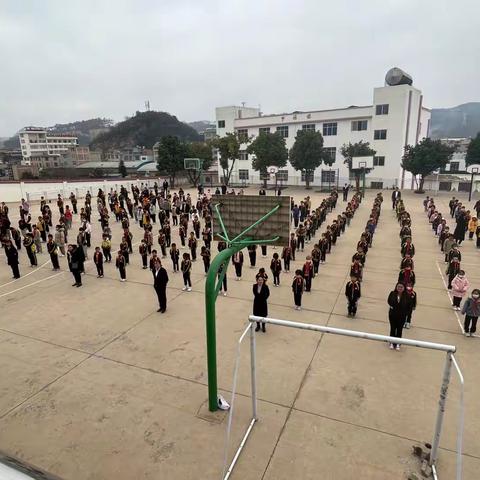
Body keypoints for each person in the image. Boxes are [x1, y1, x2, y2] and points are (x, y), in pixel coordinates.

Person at [387, 283, 410, 350]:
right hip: (393, 315)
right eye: (398, 287)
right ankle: (391, 342)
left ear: (404, 288)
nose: (400, 288)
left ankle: (398, 343)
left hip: (402, 316)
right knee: (393, 328)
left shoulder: (407, 296)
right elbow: (389, 301)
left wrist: (406, 313)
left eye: (401, 287)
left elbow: (409, 306)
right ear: (396, 287)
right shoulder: (392, 293)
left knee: (399, 329)